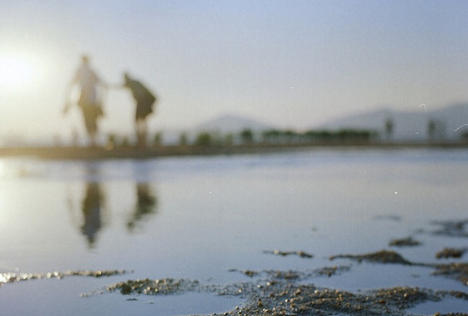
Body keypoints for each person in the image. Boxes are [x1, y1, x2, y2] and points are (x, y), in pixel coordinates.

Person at [64, 55, 106, 147]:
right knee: (92, 120)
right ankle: (93, 141)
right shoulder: (91, 71)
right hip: (91, 99)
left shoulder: (81, 70)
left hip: (85, 99)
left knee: (87, 120)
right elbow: (102, 83)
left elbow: (71, 83)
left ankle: (92, 141)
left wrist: (67, 101)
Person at [122, 72, 157, 146]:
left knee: (140, 121)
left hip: (142, 103)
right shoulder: (133, 83)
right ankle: (142, 140)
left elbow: (140, 95)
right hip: (143, 103)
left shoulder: (133, 84)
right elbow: (122, 86)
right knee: (141, 121)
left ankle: (142, 140)